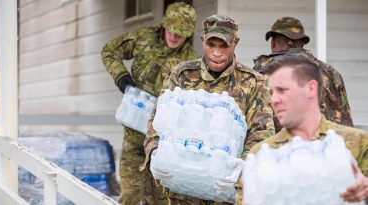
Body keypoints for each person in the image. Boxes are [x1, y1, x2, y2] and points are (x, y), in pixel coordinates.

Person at [140, 14, 275, 205]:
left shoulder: (252, 83)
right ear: (202, 40)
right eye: (211, 45)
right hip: (182, 192)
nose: (217, 52)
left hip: (225, 192)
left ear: (235, 42)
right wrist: (154, 151)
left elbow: (262, 132)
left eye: (224, 46)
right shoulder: (182, 75)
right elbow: (157, 122)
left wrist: (243, 166)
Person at [101, 2, 198, 204]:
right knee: (130, 198)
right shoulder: (144, 38)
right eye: (170, 30)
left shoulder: (192, 62)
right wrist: (121, 77)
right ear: (164, 25)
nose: (173, 36)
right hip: (134, 139)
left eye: (179, 33)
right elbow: (109, 51)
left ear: (188, 34)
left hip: (164, 147)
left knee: (162, 201)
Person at [237, 53, 368, 204]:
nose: (273, 100)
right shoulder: (262, 154)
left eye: (282, 90)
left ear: (311, 89)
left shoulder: (357, 143)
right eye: (272, 93)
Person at [253, 16, 353, 132]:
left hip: (280, 147)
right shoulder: (332, 74)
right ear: (302, 42)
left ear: (274, 43)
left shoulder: (261, 73)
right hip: (327, 146)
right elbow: (346, 123)